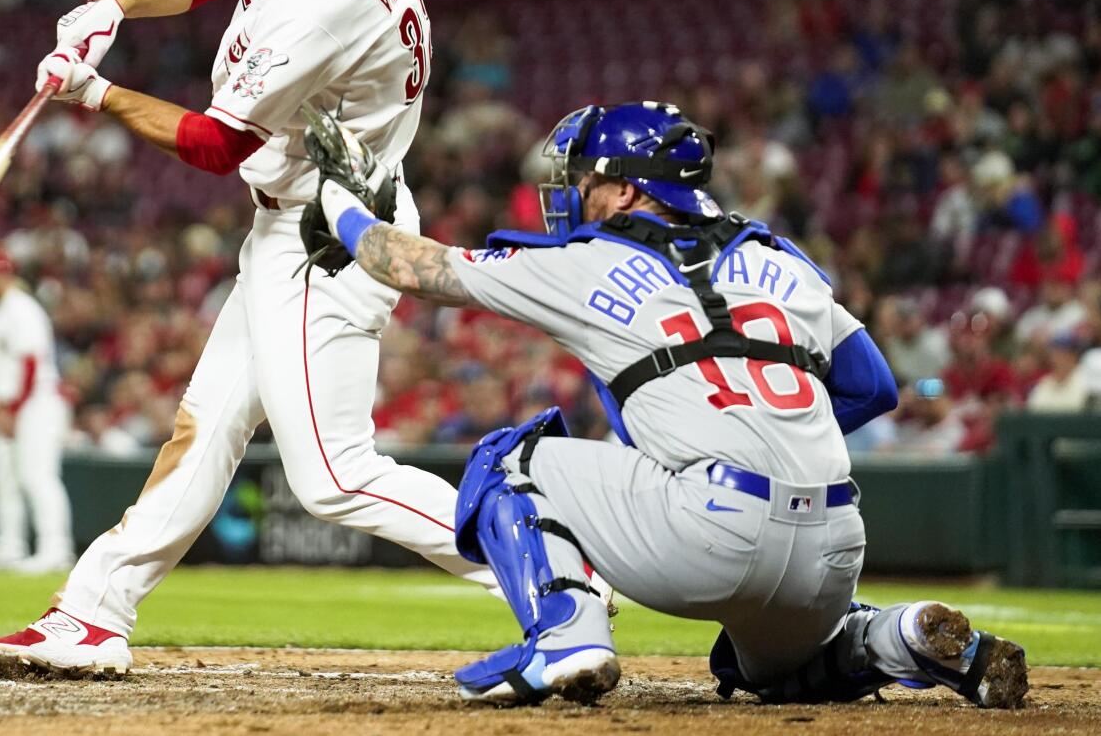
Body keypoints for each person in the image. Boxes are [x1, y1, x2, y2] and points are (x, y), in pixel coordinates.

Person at [0, 0, 494, 676]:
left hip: (330, 234)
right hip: (312, 213)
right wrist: (113, 4)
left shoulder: (322, 0)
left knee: (334, 475)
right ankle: (92, 614)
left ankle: (545, 562)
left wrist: (96, 93)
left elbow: (219, 145)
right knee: (203, 427)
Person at [304, 100, 1028, 708]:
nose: (573, 194)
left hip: (706, 530)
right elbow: (873, 387)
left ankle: (566, 634)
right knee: (760, 672)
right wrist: (765, 431)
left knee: (509, 459)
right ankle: (894, 636)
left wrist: (335, 197)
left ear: (625, 191)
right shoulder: (780, 260)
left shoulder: (583, 261)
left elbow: (406, 263)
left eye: (586, 180)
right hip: (834, 544)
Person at [0, 244, 75, 575]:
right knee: (3, 478)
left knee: (37, 476)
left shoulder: (21, 309)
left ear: (2, 273)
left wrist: (13, 408)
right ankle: (8, 548)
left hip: (35, 403)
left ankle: (56, 549)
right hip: (11, 405)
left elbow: (30, 363)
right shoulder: (0, 311)